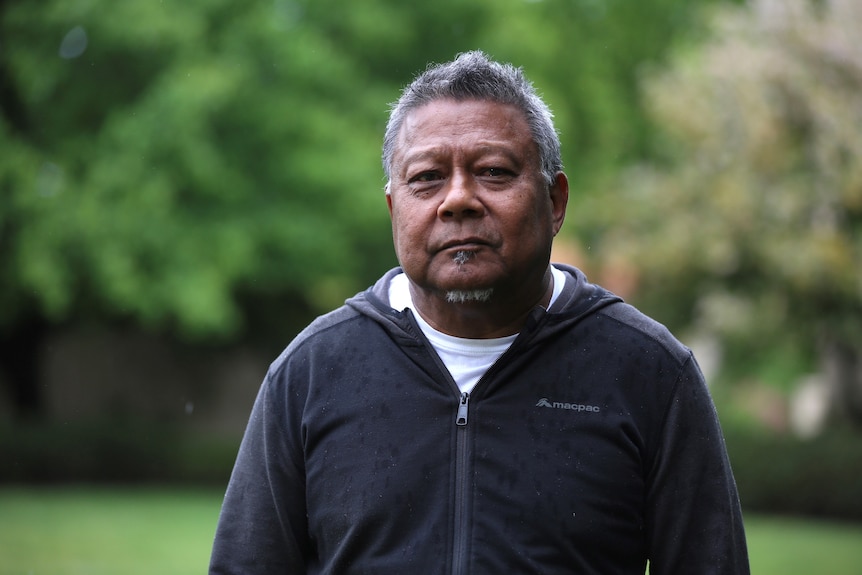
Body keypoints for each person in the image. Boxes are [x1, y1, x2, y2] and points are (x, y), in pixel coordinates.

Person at [209, 51, 750, 574]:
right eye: (426, 177)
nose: (458, 199)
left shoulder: (650, 374)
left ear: (555, 202)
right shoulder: (310, 375)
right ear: (395, 209)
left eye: (493, 171)